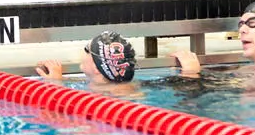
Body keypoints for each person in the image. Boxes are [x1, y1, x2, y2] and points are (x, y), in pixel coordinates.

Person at [35, 31, 200, 96]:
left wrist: (55, 88)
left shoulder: (110, 101)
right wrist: (191, 74)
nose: (82, 52)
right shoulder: (133, 87)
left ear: (98, 68)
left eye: (87, 49)